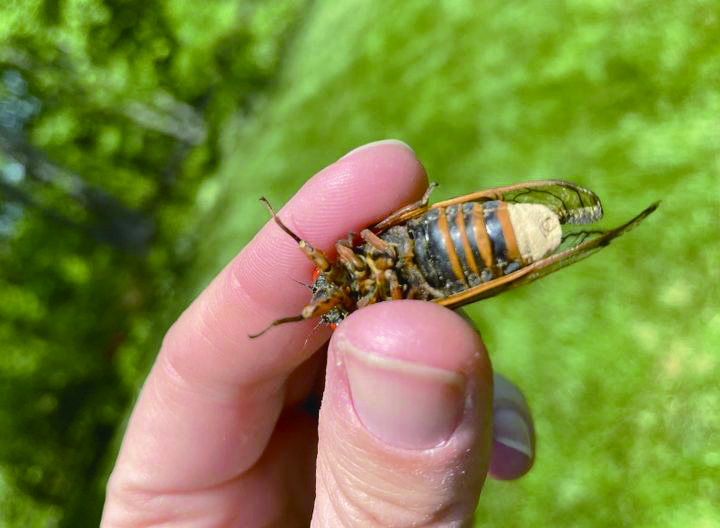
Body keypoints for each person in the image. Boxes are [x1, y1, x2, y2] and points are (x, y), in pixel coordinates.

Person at [101, 140, 535, 527]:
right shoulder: (366, 308)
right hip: (445, 278)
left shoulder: (349, 256)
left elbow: (354, 238)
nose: (322, 297)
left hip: (434, 233)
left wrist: (406, 216)